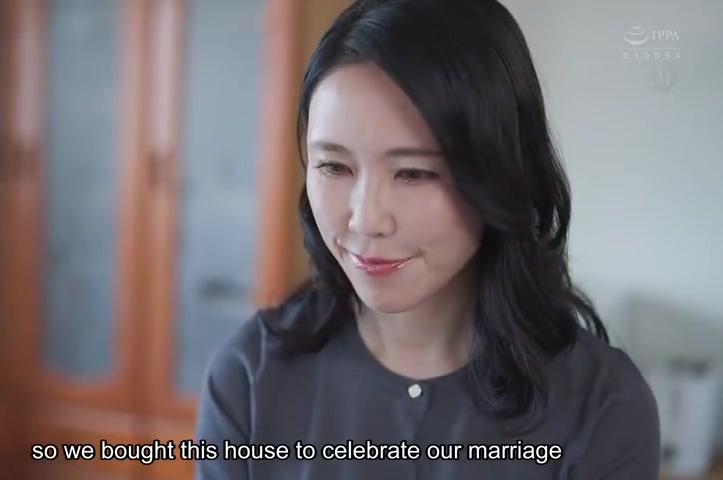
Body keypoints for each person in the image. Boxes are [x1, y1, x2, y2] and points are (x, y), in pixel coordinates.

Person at [194, 0, 661, 478]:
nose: (367, 220)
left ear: (501, 172)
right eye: (334, 166)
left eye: (414, 173)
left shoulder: (602, 410)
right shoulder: (248, 377)